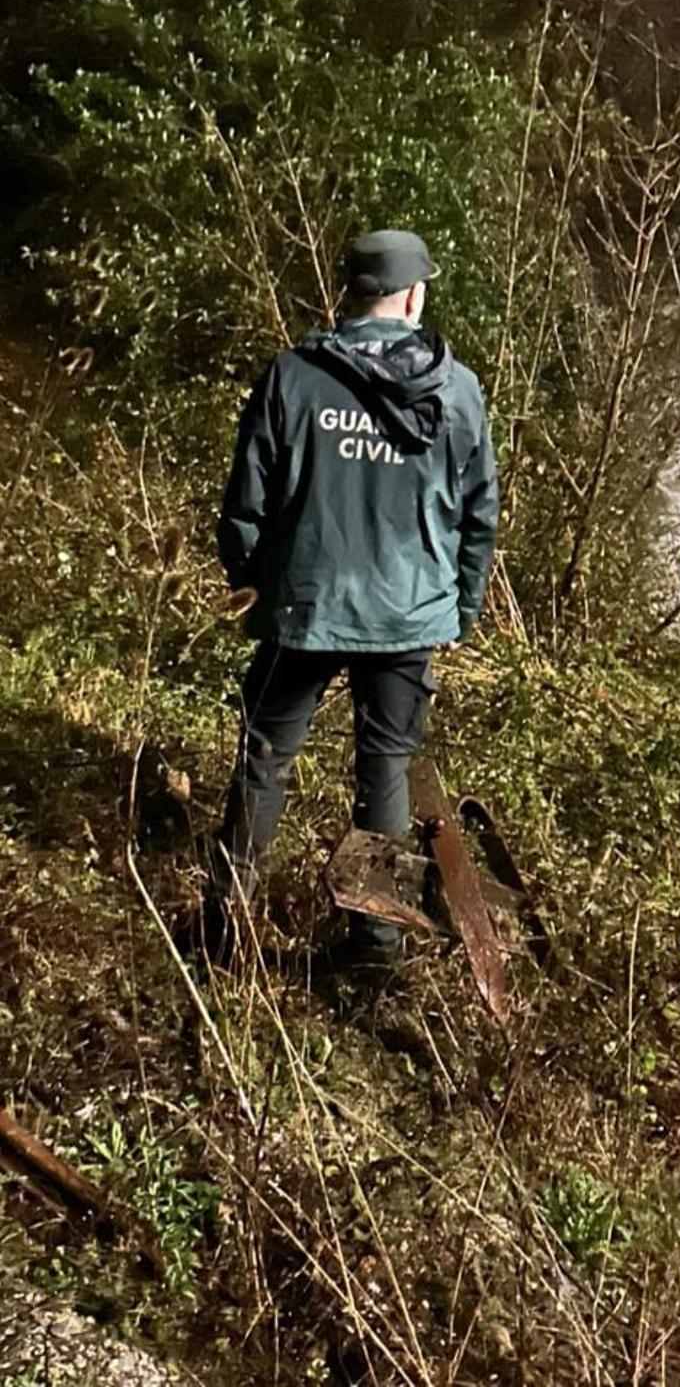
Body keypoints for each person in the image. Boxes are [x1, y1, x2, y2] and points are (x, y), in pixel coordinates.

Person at [204, 228, 499, 968]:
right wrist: (458, 607)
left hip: (304, 605)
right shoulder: (455, 390)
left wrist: (254, 585)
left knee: (264, 762)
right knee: (384, 775)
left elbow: (247, 502)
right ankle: (376, 948)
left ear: (352, 293)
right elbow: (478, 514)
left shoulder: (293, 377)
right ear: (413, 294)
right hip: (407, 614)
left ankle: (221, 934)